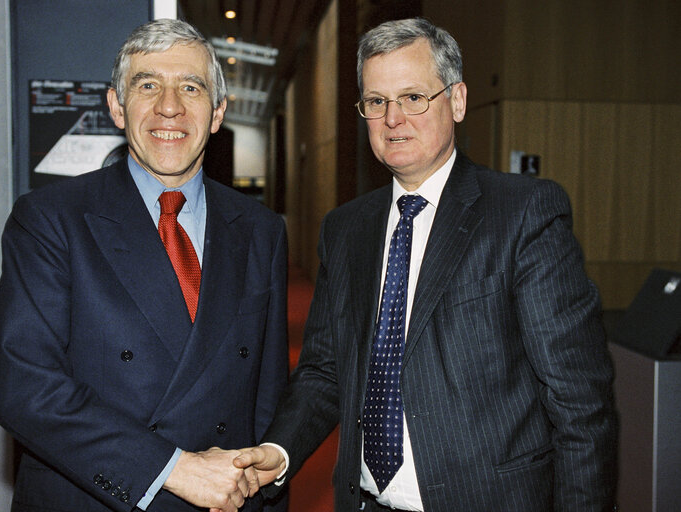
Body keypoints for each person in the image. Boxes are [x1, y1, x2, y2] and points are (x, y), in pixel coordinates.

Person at [234, 17, 618, 512]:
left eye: (414, 97)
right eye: (376, 102)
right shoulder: (345, 229)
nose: (393, 118)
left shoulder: (523, 214)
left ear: (456, 101)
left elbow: (580, 405)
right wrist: (278, 450)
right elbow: (326, 370)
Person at [0, 18, 287, 512]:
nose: (169, 106)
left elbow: (268, 398)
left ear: (217, 113)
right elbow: (26, 388)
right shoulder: (49, 220)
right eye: (147, 84)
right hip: (93, 497)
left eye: (190, 87)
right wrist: (173, 468)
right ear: (116, 106)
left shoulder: (260, 229)